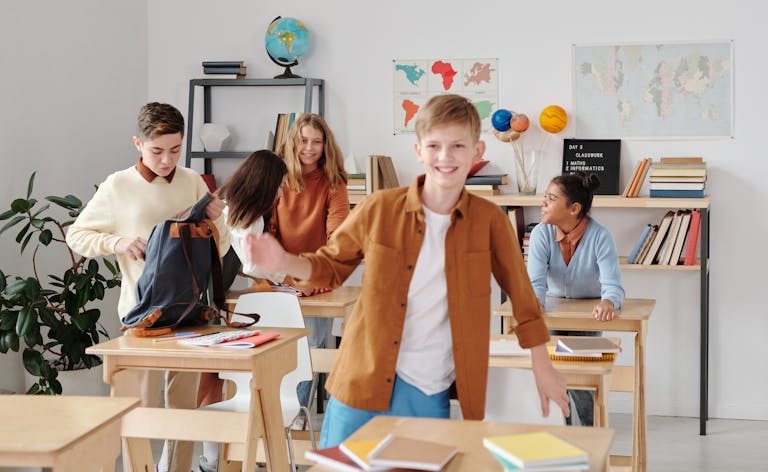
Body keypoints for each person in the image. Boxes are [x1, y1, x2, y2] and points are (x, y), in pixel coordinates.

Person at [243, 94, 569, 447]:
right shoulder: (380, 208)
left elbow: (523, 299)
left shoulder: (490, 222)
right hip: (361, 378)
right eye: (434, 146)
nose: (445, 157)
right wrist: (283, 262)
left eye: (458, 145)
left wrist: (543, 365)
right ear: (418, 150)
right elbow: (330, 266)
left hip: (428, 388)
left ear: (477, 151)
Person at [66, 102, 229, 472]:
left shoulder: (191, 182)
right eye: (157, 151)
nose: (167, 160)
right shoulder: (118, 185)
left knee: (183, 413)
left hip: (187, 315)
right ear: (138, 143)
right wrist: (116, 242)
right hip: (140, 318)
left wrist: (216, 224)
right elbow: (77, 234)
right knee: (138, 410)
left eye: (175, 149)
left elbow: (218, 249)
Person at [196, 149, 288, 472]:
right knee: (212, 380)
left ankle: (211, 458)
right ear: (264, 184)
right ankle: (210, 460)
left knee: (212, 381)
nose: (280, 193)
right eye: (278, 186)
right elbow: (251, 260)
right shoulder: (246, 213)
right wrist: (286, 276)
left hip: (200, 296)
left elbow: (241, 258)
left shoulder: (226, 202)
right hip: (205, 303)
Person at [526, 171, 625, 426]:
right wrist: (535, 303)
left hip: (587, 318)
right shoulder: (540, 234)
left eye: (550, 198)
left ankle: (592, 433)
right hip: (554, 311)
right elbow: (535, 284)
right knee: (554, 376)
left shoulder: (601, 236)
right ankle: (564, 433)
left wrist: (608, 302)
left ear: (574, 208)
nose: (542, 203)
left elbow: (613, 285)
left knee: (583, 383)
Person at [269, 113, 350, 416]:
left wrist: (312, 277)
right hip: (278, 279)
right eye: (304, 140)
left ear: (325, 145)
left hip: (318, 279)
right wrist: (290, 278)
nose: (310, 147)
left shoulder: (334, 182)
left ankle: (293, 419)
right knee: (276, 350)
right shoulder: (277, 181)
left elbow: (338, 234)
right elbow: (269, 234)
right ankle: (271, 420)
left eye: (317, 142)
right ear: (293, 142)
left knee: (311, 349)